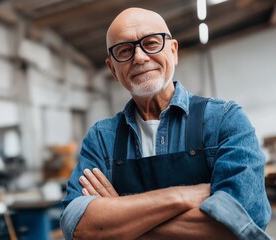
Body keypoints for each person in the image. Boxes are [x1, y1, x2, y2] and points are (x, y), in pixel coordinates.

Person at [60, 7, 271, 240]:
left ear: (173, 51)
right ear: (112, 69)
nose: (139, 57)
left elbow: (243, 222)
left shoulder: (224, 119)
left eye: (151, 43)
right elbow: (77, 225)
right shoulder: (102, 138)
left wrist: (121, 215)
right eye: (124, 50)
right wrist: (181, 196)